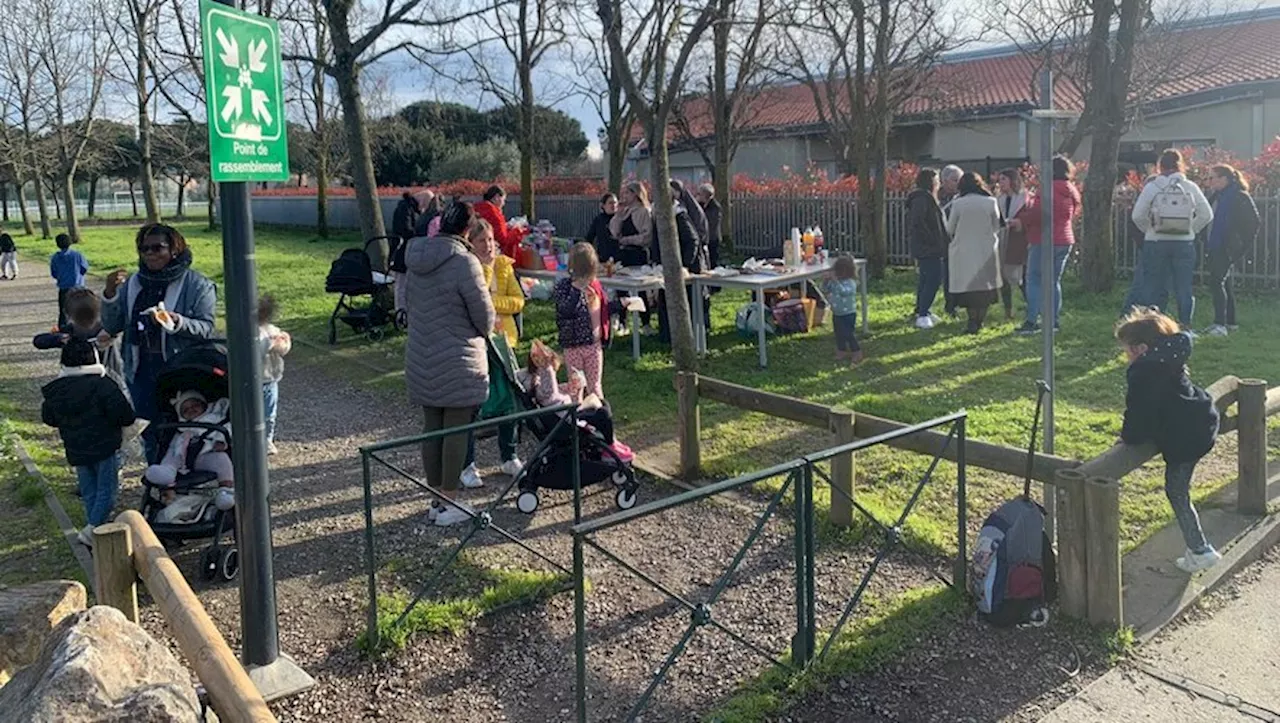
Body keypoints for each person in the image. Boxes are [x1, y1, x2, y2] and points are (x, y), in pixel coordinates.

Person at [404, 201, 495, 527]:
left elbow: (409, 304)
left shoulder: (415, 258)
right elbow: (484, 318)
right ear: (467, 230)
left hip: (421, 353)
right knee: (456, 428)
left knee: (432, 426)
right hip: (458, 358)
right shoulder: (464, 263)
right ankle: (449, 500)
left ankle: (434, 499)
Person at [1116, 307, 1221, 573]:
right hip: (1203, 422)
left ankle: (1200, 550)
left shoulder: (1143, 372)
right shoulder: (1169, 357)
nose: (1125, 356)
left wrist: (1128, 439)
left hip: (1185, 438)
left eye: (1127, 350)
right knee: (1179, 489)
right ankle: (1198, 549)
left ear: (1140, 348)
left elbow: (1139, 412)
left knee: (1176, 491)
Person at [101, 224, 217, 461]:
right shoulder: (134, 283)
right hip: (141, 369)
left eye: (157, 248)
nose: (150, 254)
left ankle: (186, 479)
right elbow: (113, 325)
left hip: (181, 369)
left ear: (174, 249)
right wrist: (110, 294)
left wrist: (178, 321)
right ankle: (158, 481)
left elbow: (206, 328)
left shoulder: (196, 284)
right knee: (150, 431)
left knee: (184, 428)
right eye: (144, 249)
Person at [41, 339, 136, 546]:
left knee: (89, 492)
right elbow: (126, 416)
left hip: (76, 449)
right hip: (105, 446)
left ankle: (95, 531)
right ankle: (93, 529)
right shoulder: (103, 385)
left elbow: (48, 418)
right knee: (107, 492)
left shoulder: (57, 389)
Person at [459, 217, 524, 489]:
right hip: (478, 344)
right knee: (472, 406)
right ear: (470, 244)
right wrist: (484, 274)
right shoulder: (468, 269)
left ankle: (509, 455)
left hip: (504, 341)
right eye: (482, 241)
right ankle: (467, 464)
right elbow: (476, 300)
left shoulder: (505, 267)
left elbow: (518, 300)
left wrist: (496, 305)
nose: (488, 246)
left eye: (491, 240)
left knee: (510, 400)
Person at [1131, 149, 1213, 329]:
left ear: (1160, 166)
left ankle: (1155, 326)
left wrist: (1150, 230)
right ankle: (1185, 326)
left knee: (1154, 286)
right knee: (1183, 287)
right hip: (1183, 243)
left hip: (1156, 242)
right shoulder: (1190, 187)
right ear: (1180, 165)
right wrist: (1190, 229)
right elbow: (1206, 214)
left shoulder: (1153, 187)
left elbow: (1137, 215)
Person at [526, 339, 631, 461]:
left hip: (564, 414)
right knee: (603, 413)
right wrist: (547, 365)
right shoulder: (545, 376)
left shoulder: (538, 383)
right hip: (565, 417)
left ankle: (611, 442)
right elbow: (550, 391)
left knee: (602, 403)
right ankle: (610, 446)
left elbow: (553, 390)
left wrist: (569, 387)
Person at [1016, 156, 1081, 336]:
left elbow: (1038, 214)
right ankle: (1053, 321)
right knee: (1053, 281)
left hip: (1043, 239)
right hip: (1065, 238)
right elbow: (1073, 212)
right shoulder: (1071, 190)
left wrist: (1022, 220)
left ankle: (1032, 320)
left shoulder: (1047, 190)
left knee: (1034, 279)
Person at [144, 391, 234, 510]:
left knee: (222, 460)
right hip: (182, 457)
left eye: (195, 405)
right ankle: (166, 472)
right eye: (185, 409)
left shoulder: (216, 419)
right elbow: (172, 448)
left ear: (204, 405)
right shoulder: (181, 427)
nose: (191, 409)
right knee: (171, 453)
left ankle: (226, 491)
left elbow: (228, 430)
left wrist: (221, 441)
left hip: (205, 456)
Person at [554, 242, 618, 399]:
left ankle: (600, 417)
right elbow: (565, 310)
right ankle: (578, 418)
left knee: (595, 386)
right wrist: (577, 289)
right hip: (573, 345)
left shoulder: (595, 285)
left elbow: (603, 308)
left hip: (593, 345)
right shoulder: (564, 287)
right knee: (576, 386)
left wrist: (621, 305)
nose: (589, 279)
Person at [1202, 164, 1259, 337]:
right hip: (1215, 245)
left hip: (1227, 247)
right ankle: (1231, 322)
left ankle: (1220, 324)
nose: (1209, 181)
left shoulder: (1240, 197)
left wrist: (1239, 245)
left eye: (1213, 178)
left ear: (1224, 179)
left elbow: (1253, 223)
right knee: (1225, 282)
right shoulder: (1216, 196)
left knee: (1216, 281)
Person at [945, 172, 1002, 334]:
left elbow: (950, 228)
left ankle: (971, 321)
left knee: (969, 288)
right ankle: (980, 320)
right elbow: (996, 226)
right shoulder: (991, 202)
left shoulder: (958, 204)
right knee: (983, 288)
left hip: (964, 251)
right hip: (985, 251)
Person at [653, 180, 709, 344]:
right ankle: (666, 336)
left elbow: (693, 240)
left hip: (685, 268)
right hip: (668, 266)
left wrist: (683, 265)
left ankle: (685, 338)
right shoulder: (661, 215)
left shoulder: (679, 216)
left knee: (685, 303)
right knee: (666, 300)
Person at [34, 287, 123, 381]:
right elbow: (39, 341)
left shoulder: (104, 330)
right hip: (103, 379)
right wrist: (60, 338)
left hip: (95, 378)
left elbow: (38, 341)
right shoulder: (72, 332)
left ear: (68, 315)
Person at [609, 182, 655, 330]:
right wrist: (618, 217)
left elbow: (647, 237)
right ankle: (623, 322)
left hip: (638, 254)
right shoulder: (624, 212)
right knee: (621, 288)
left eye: (627, 193)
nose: (624, 196)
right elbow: (614, 232)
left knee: (640, 289)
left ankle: (645, 323)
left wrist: (628, 239)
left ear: (635, 194)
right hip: (623, 254)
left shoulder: (643, 212)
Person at [906, 168, 948, 329]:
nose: (938, 184)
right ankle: (923, 313)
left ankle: (922, 310)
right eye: (936, 181)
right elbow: (918, 222)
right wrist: (933, 240)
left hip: (927, 247)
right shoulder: (923, 199)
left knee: (925, 279)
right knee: (933, 279)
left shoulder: (925, 198)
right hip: (928, 248)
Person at [258, 294, 291, 456]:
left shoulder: (271, 329)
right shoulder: (248, 331)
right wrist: (271, 343)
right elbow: (257, 350)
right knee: (254, 413)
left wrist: (283, 342)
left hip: (271, 379)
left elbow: (284, 347)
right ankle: (253, 439)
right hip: (254, 380)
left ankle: (267, 440)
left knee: (269, 414)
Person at [996, 168, 1029, 321]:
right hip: (1003, 239)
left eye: (1003, 179)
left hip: (1019, 240)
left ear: (1012, 180)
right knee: (1003, 277)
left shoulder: (1024, 197)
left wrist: (1019, 222)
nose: (1000, 183)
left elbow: (1029, 216)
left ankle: (1033, 305)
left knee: (1022, 276)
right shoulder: (999, 199)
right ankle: (1008, 310)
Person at [390, 190, 429, 313]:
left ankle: (405, 311)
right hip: (401, 251)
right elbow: (405, 229)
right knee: (401, 284)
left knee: (404, 284)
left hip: (407, 250)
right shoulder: (405, 208)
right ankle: (401, 312)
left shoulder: (408, 208)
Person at [824, 254, 863, 365]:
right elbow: (826, 289)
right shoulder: (835, 282)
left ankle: (857, 351)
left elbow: (844, 292)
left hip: (848, 313)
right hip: (837, 312)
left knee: (848, 333)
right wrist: (826, 281)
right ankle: (841, 350)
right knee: (838, 333)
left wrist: (835, 281)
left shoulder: (851, 283)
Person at [474, 185, 527, 259]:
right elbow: (503, 240)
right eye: (503, 200)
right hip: (492, 253)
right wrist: (518, 231)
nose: (504, 204)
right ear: (497, 197)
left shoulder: (476, 208)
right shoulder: (494, 213)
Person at [939, 165, 964, 317]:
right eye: (955, 180)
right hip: (944, 241)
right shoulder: (937, 197)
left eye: (959, 180)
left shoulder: (963, 197)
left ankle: (959, 302)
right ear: (944, 181)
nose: (958, 183)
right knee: (948, 274)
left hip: (959, 239)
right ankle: (950, 305)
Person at [50, 233, 89, 329]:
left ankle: (64, 331)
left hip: (64, 288)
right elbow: (84, 268)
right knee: (81, 310)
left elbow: (54, 273)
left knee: (64, 312)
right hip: (78, 287)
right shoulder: (77, 255)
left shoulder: (55, 258)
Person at [585, 192, 620, 264]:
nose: (613, 205)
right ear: (603, 205)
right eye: (610, 203)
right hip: (602, 258)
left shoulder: (620, 219)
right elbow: (589, 237)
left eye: (615, 203)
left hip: (619, 258)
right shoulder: (599, 220)